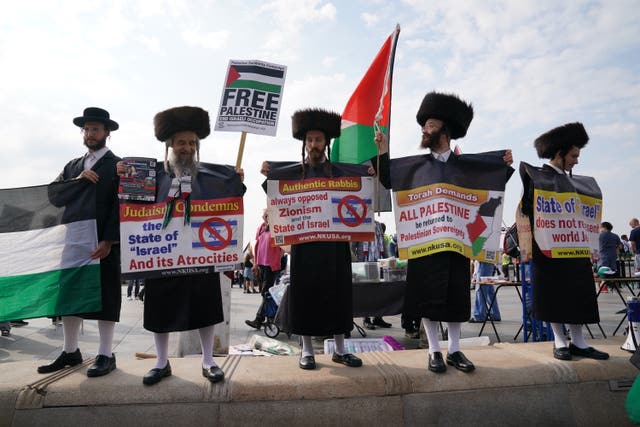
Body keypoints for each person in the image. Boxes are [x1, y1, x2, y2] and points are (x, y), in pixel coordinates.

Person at [373, 92, 513, 374]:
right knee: (427, 297)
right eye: (424, 124)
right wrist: (383, 149)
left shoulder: (466, 166)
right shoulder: (416, 166)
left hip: (458, 243)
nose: (425, 129)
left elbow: (490, 185)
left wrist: (503, 165)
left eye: (431, 124)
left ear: (445, 129)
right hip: (425, 242)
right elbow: (388, 177)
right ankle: (434, 350)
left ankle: (455, 350)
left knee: (455, 297)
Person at [118, 106, 245, 385]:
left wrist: (238, 179)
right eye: (181, 142)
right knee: (160, 309)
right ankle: (162, 363)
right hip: (163, 257)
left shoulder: (210, 176)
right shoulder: (153, 176)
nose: (186, 147)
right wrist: (122, 173)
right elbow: (128, 200)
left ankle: (208, 360)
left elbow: (233, 195)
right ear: (170, 145)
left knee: (205, 307)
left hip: (199, 257)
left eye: (191, 143)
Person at [260, 108, 364, 370]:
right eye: (310, 140)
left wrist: (371, 169)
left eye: (319, 140)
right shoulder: (293, 173)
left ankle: (340, 350)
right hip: (304, 248)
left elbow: (363, 191)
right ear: (304, 144)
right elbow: (276, 198)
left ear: (326, 143)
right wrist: (267, 175)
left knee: (339, 296)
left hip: (336, 246)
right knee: (305, 298)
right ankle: (307, 351)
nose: (314, 144)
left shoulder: (341, 173)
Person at [37, 107, 121, 378]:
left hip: (101, 241)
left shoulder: (117, 165)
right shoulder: (73, 166)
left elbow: (120, 206)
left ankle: (106, 353)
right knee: (69, 295)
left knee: (106, 296)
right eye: (86, 129)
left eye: (95, 129)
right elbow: (54, 196)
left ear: (107, 132)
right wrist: (77, 181)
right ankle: (70, 351)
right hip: (73, 241)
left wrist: (110, 239)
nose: (90, 133)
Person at [521, 122, 608, 361]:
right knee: (554, 294)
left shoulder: (578, 183)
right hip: (548, 247)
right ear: (559, 153)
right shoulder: (537, 177)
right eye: (573, 155)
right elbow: (528, 211)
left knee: (578, 293)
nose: (576, 161)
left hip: (575, 246)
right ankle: (559, 340)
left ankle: (579, 341)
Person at [245, 210, 282, 329]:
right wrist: (255, 263)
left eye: (269, 216)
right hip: (262, 264)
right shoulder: (261, 228)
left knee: (266, 292)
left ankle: (259, 319)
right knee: (265, 293)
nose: (266, 218)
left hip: (271, 265)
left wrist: (277, 259)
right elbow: (257, 246)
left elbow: (282, 247)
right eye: (265, 216)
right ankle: (269, 317)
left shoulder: (277, 228)